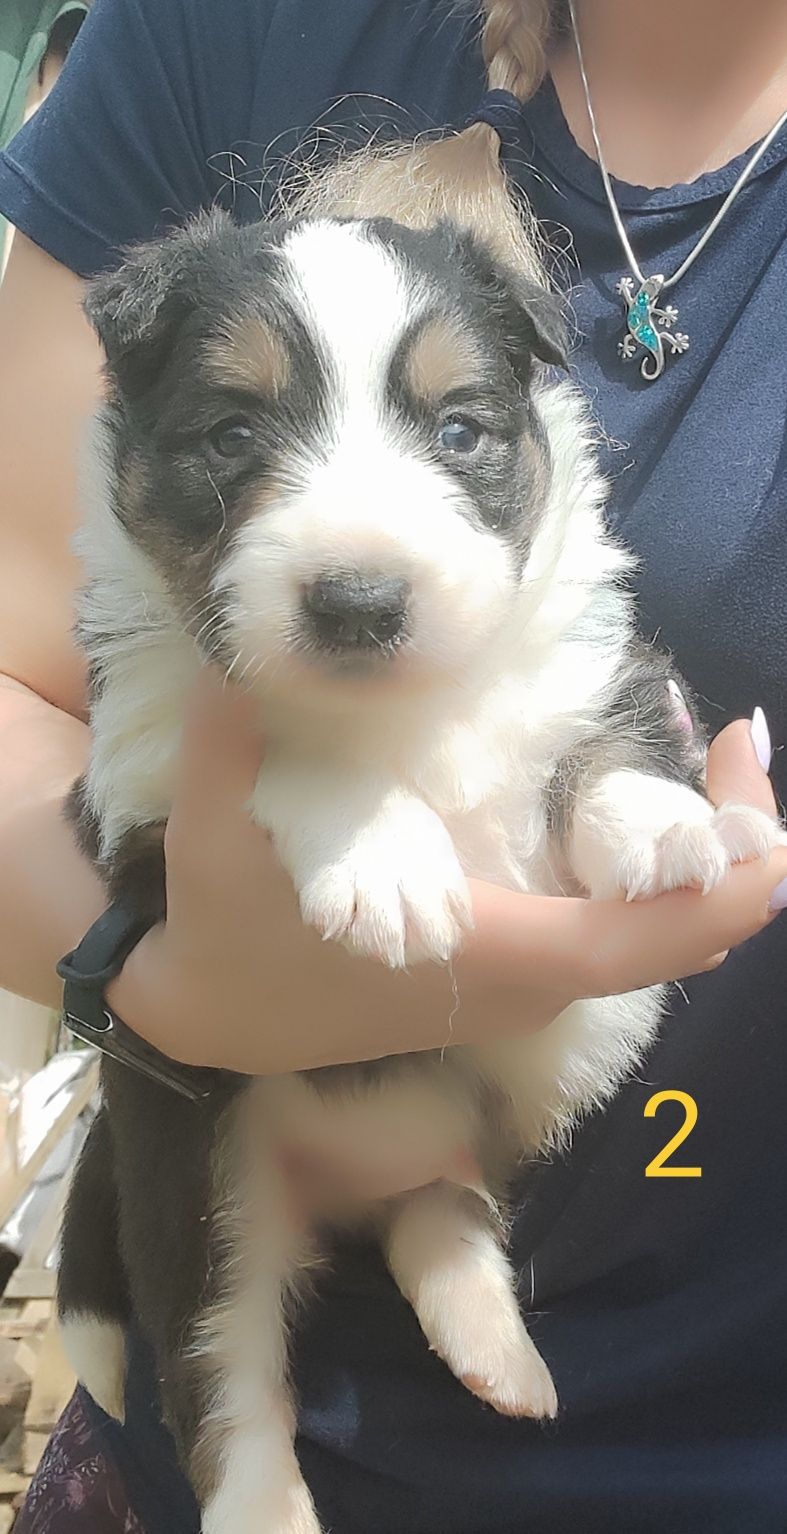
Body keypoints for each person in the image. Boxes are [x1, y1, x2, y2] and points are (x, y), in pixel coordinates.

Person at [0, 0, 786, 1529]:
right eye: (238, 435)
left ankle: (445, 1226)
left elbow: (588, 701)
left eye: (457, 435)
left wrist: (629, 797)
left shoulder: (548, 588)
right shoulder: (224, 32)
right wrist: (146, 978)